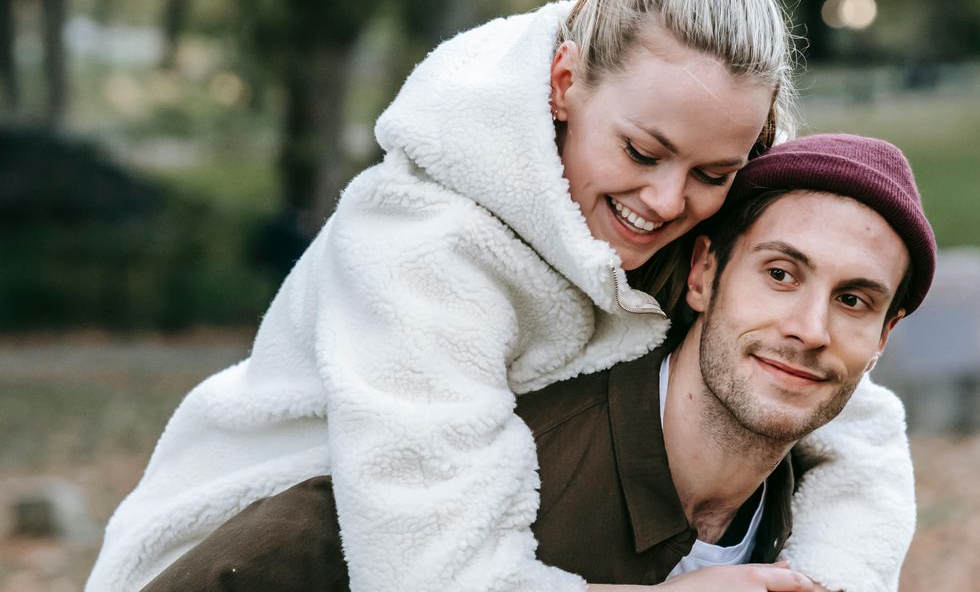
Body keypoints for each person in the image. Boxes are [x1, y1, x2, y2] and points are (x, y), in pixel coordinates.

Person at [86, 0, 915, 591]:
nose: (666, 201)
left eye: (711, 174)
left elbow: (851, 409)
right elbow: (429, 576)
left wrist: (832, 578)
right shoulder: (422, 244)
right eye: (642, 151)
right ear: (563, 83)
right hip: (246, 554)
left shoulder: (668, 217)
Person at [137, 134, 934, 592]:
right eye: (781, 273)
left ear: (884, 337)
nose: (809, 328)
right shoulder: (482, 464)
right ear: (702, 275)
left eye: (856, 301)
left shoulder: (816, 534)